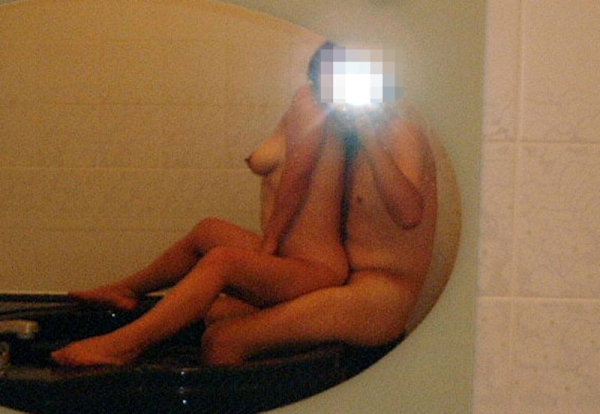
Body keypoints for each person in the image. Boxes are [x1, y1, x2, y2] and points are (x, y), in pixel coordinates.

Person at [51, 83, 349, 366]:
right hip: (292, 256)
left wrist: (269, 243)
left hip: (316, 268)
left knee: (223, 262)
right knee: (208, 231)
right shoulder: (307, 100)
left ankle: (123, 346)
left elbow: (298, 178)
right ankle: (125, 291)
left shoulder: (316, 108)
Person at [198, 98, 438, 366]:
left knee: (223, 341)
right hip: (340, 279)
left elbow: (409, 214)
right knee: (217, 312)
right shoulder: (341, 140)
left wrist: (369, 136)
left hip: (382, 293)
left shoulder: (402, 133)